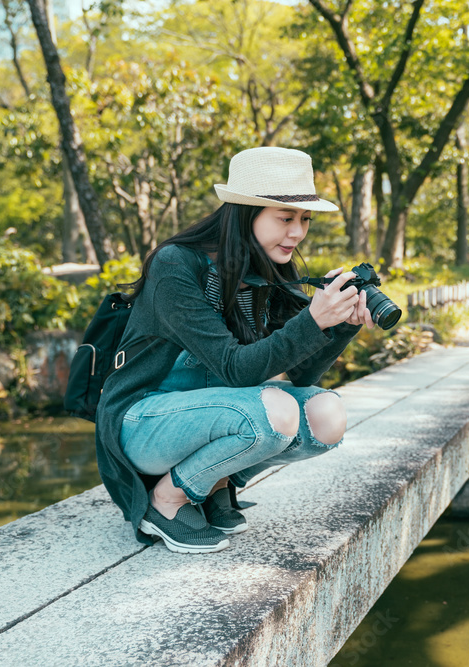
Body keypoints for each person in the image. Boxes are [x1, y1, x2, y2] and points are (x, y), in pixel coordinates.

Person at [95, 147, 372, 553]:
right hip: (142, 421)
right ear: (245, 212)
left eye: (305, 220)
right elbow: (235, 369)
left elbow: (303, 375)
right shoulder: (176, 265)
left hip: (212, 415)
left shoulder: (272, 270)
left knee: (326, 415)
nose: (297, 233)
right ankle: (165, 501)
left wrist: (339, 327)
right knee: (274, 412)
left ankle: (213, 482)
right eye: (285, 218)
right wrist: (312, 320)